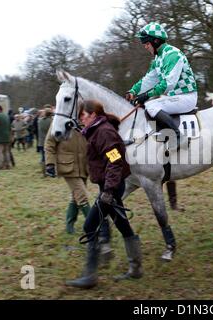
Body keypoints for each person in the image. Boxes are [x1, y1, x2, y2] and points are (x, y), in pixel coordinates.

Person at [66, 100, 142, 289]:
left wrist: (108, 191)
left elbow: (115, 161)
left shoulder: (104, 132)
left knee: (90, 225)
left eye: (83, 115)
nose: (81, 118)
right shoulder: (96, 131)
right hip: (108, 186)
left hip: (111, 188)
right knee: (122, 224)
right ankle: (136, 268)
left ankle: (90, 276)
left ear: (93, 115)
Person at [125, 22, 198, 150]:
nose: (145, 47)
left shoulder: (172, 54)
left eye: (147, 43)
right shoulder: (158, 59)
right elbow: (148, 80)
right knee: (149, 104)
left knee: (151, 105)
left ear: (156, 41)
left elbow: (168, 84)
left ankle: (178, 136)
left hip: (187, 97)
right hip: (175, 97)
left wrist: (146, 95)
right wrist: (133, 91)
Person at [45, 114, 93, 235]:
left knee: (75, 196)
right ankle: (94, 226)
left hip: (83, 166)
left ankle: (69, 224)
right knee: (82, 196)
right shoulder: (59, 121)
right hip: (67, 166)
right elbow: (50, 143)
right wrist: (50, 163)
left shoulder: (85, 120)